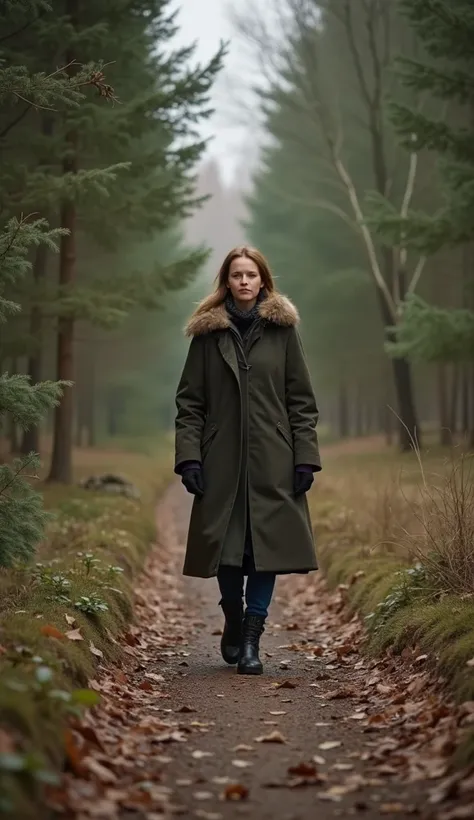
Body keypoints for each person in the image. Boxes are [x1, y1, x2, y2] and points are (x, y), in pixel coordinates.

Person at [174, 246, 321, 675]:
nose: (243, 281)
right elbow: (189, 404)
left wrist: (305, 458)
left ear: (263, 281)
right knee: (227, 549)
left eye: (251, 275)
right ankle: (234, 620)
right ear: (226, 281)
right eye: (236, 274)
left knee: (264, 551)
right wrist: (189, 459)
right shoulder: (207, 336)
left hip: (273, 460)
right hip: (220, 462)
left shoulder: (283, 332)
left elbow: (301, 401)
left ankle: (252, 640)